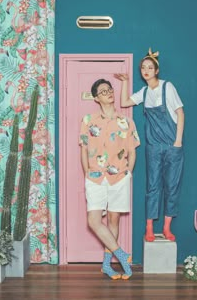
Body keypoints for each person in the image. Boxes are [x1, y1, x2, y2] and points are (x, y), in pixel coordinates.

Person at [115, 48, 184, 242]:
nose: (146, 70)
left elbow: (180, 113)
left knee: (172, 186)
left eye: (149, 67)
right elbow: (125, 102)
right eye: (143, 67)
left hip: (172, 145)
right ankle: (149, 228)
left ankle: (167, 227)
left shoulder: (167, 87)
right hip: (153, 147)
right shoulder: (144, 92)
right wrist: (125, 81)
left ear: (156, 70)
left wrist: (177, 141)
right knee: (152, 186)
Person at [79, 78, 140, 280]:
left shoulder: (127, 121)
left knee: (114, 220)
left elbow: (132, 150)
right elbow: (84, 148)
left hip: (119, 177)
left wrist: (128, 172)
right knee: (94, 221)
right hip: (95, 177)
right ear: (96, 98)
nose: (108, 93)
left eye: (110, 89)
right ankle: (123, 256)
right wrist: (87, 171)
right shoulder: (88, 121)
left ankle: (107, 265)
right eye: (103, 91)